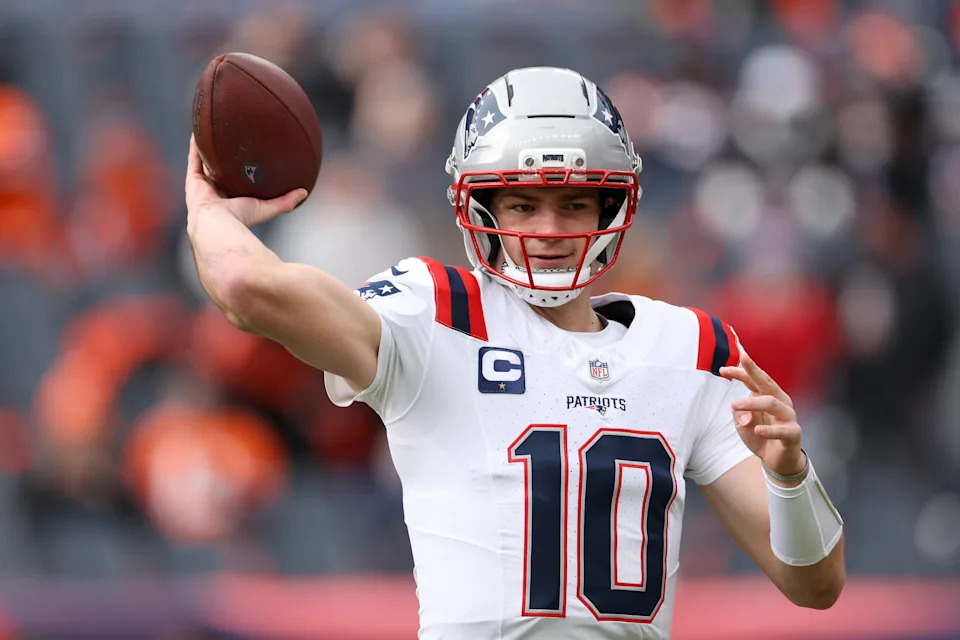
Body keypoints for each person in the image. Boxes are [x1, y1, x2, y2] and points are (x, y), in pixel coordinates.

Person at [185, 66, 845, 639]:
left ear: (611, 208)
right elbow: (246, 287)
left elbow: (815, 585)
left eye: (574, 203)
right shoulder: (435, 314)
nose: (550, 231)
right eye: (524, 205)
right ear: (479, 207)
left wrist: (791, 476)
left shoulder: (688, 348)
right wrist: (207, 210)